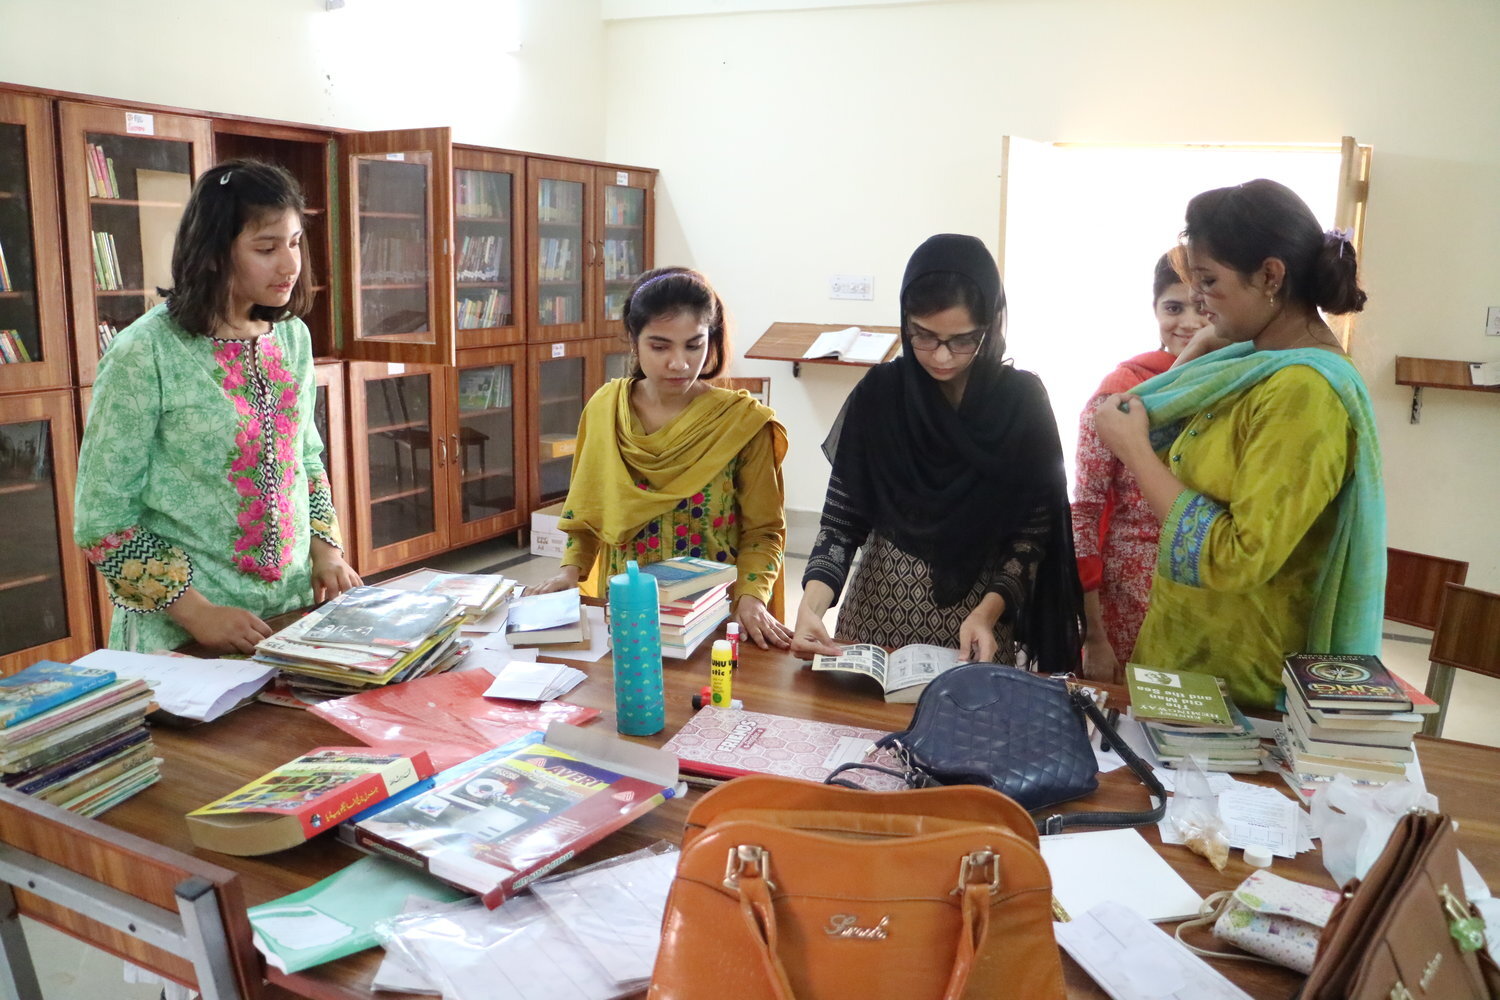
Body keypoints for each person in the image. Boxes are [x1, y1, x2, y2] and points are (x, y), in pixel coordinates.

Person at [1095, 179, 1385, 711]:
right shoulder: (1248, 362)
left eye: (1208, 280)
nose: (1198, 301)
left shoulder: (1305, 391)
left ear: (1270, 276)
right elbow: (1163, 431)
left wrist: (1134, 453)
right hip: (1193, 657)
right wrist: (1203, 347)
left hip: (1244, 680)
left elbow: (1236, 557)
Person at [74, 159, 360, 654]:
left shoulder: (291, 337)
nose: (290, 265)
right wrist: (198, 613)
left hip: (291, 613)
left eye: (294, 243)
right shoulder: (146, 352)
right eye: (266, 248)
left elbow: (304, 459)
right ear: (212, 253)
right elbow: (102, 521)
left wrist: (326, 548)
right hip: (186, 632)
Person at [791, 234, 1084, 669]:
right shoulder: (881, 395)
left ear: (992, 324)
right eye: (924, 336)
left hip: (977, 625)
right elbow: (841, 522)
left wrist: (987, 614)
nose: (941, 356)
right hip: (874, 617)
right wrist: (812, 606)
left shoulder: (1021, 403)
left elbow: (1030, 538)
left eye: (962, 339)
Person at [528, 267, 791, 649]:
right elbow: (587, 513)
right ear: (633, 342)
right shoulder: (606, 410)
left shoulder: (741, 424)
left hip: (713, 619)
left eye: (693, 345)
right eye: (660, 346)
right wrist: (570, 573)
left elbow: (763, 531)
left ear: (711, 339)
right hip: (624, 614)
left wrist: (751, 598)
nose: (679, 363)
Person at [1072, 253, 1213, 681]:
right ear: (1155, 310)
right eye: (1173, 307)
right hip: (1131, 600)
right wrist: (1093, 635)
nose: (1188, 322)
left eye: (1201, 308)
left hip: (1212, 591)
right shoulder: (1120, 396)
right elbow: (1085, 513)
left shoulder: (1237, 391)